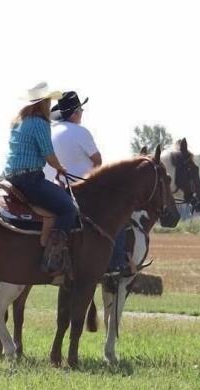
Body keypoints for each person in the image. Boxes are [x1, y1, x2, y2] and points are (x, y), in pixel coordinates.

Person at [44, 91, 128, 277]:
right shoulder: (81, 132)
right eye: (80, 109)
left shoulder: (51, 131)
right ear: (75, 113)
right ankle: (115, 264)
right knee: (119, 216)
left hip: (51, 188)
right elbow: (98, 162)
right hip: (78, 192)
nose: (82, 113)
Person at [4, 82, 78, 276]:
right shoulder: (39, 123)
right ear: (44, 103)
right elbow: (48, 153)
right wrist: (60, 168)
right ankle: (52, 257)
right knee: (68, 208)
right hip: (30, 179)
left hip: (11, 178)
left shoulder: (18, 121)